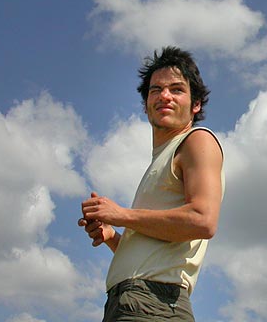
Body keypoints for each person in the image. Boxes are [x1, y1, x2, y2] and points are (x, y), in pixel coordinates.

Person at [78, 46, 225, 321]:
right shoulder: (162, 158)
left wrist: (121, 214)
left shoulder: (197, 140)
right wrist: (113, 238)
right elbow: (157, 251)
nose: (164, 96)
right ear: (146, 103)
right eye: (155, 90)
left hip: (152, 303)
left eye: (176, 89)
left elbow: (203, 220)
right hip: (128, 302)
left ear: (196, 104)